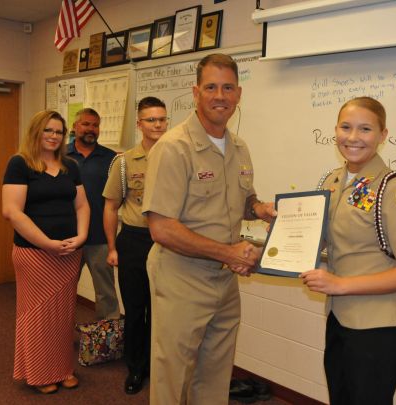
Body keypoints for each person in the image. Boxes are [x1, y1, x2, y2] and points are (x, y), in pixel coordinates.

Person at [142, 53, 276, 405]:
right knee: (172, 375)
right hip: (181, 277)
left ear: (239, 94)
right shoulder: (173, 148)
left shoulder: (239, 147)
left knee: (216, 373)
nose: (220, 96)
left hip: (225, 279)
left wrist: (259, 208)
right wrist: (229, 253)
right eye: (211, 87)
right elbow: (162, 229)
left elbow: (242, 198)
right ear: (195, 92)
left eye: (228, 88)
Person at [301, 97, 396, 405]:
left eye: (365, 129)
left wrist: (340, 284)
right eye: (345, 127)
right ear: (335, 130)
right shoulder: (333, 180)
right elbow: (322, 238)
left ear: (383, 135)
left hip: (377, 327)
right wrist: (280, 240)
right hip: (339, 317)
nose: (353, 137)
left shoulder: (393, 189)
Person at [2, 110, 90, 394]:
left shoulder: (70, 166)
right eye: (48, 130)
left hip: (68, 253)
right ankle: (40, 373)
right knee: (37, 316)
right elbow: (12, 212)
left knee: (63, 315)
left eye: (59, 132)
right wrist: (46, 243)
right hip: (35, 254)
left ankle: (63, 369)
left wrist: (82, 237)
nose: (54, 136)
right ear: (36, 131)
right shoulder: (20, 164)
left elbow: (82, 206)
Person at [102, 96, 167, 395]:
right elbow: (111, 207)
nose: (158, 125)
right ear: (139, 124)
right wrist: (112, 248)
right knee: (136, 307)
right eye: (151, 120)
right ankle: (136, 368)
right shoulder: (124, 162)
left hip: (168, 241)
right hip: (134, 240)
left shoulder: (178, 156)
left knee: (162, 309)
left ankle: (157, 365)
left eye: (162, 119)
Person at [67, 108, 120, 320]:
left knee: (106, 293)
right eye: (86, 124)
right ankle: (59, 333)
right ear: (75, 127)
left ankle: (109, 336)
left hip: (100, 237)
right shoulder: (60, 156)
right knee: (64, 291)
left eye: (95, 125)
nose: (91, 129)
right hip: (67, 238)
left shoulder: (112, 159)